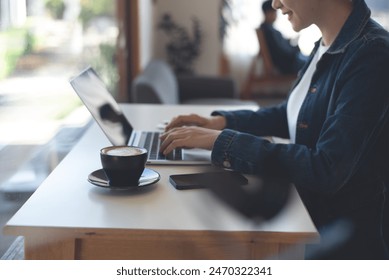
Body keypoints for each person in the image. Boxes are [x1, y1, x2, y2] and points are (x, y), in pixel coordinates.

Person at [160, 0, 389, 259]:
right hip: (308, 216)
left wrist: (223, 142)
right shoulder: (327, 43)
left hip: (341, 242)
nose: (275, 3)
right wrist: (221, 123)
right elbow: (292, 114)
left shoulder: (372, 54)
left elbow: (327, 167)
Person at [259, 0, 307, 75]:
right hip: (287, 64)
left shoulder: (269, 29)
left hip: (289, 61)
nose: (276, 15)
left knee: (311, 59)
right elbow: (279, 52)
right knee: (312, 62)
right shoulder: (268, 31)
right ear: (268, 13)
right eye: (274, 12)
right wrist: (295, 49)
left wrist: (289, 42)